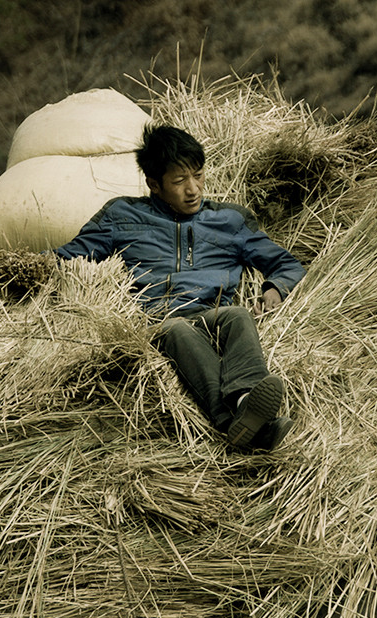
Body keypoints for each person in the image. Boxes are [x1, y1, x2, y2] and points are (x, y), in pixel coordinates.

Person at [54, 124, 305, 450]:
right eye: (179, 181)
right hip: (158, 317)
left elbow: (285, 264)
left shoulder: (230, 220)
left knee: (238, 316)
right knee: (177, 330)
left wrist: (274, 289)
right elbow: (70, 257)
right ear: (154, 185)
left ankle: (246, 401)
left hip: (213, 312)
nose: (194, 189)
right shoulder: (123, 216)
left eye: (198, 176)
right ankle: (231, 421)